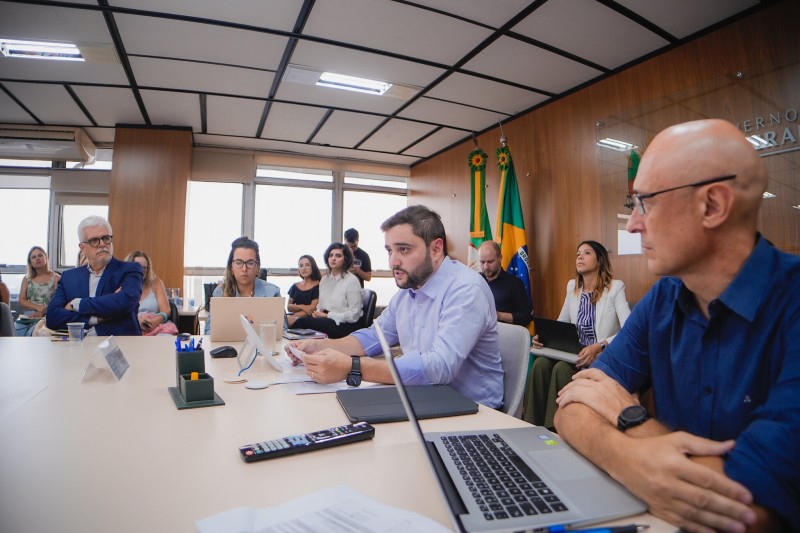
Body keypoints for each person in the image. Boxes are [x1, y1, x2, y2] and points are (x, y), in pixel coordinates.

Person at [554, 119, 799, 532]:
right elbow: (570, 408)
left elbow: (750, 510)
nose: (632, 224)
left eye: (645, 202)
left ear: (712, 206)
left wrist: (628, 416)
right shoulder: (664, 297)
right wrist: (628, 461)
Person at [287, 205, 504, 408]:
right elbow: (374, 336)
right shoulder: (409, 290)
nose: (393, 262)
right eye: (390, 251)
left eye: (404, 250)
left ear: (436, 249)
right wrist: (321, 347)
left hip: (473, 410)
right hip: (424, 398)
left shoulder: (465, 288)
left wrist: (352, 367)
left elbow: (439, 368)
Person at [524, 240, 630, 429]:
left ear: (600, 260)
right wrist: (545, 337)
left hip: (598, 357)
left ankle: (554, 429)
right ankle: (530, 426)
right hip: (572, 353)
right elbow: (561, 323)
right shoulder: (572, 287)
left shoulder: (615, 288)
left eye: (587, 253)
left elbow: (629, 329)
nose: (580, 256)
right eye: (578, 253)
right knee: (540, 364)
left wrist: (600, 346)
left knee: (561, 369)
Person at [46, 215, 143, 336]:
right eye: (94, 240)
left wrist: (77, 304)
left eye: (106, 238)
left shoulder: (130, 270)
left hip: (120, 344)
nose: (102, 244)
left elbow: (125, 302)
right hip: (79, 344)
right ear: (82, 248)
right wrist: (94, 319)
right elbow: (52, 318)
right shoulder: (69, 277)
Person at [204, 237, 280, 334]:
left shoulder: (272, 293)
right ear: (231, 267)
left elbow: (281, 332)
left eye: (250, 263)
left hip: (263, 343)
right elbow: (209, 331)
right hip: (229, 343)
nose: (244, 269)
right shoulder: (220, 292)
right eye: (238, 263)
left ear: (257, 268)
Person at [291, 243, 363, 339]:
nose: (333, 258)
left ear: (345, 260)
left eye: (338, 256)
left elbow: (353, 315)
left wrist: (327, 315)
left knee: (302, 322)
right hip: (327, 320)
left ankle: (289, 345)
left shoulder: (352, 280)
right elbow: (321, 306)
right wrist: (317, 313)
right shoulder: (324, 280)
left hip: (343, 325)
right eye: (331, 255)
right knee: (303, 320)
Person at [478, 240, 532, 326]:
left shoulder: (515, 283)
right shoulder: (475, 281)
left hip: (504, 331)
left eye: (490, 262)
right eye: (482, 262)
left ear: (500, 258)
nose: (486, 267)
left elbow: (525, 317)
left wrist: (499, 315)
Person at [125, 250, 178, 336]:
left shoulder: (156, 283)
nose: (141, 271)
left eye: (145, 268)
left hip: (154, 327)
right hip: (130, 329)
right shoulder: (121, 286)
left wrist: (155, 321)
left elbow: (166, 310)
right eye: (138, 267)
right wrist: (136, 321)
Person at [16, 246, 61, 336]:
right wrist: (38, 307)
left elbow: (59, 301)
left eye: (40, 255)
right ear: (30, 262)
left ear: (46, 258)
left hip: (48, 315)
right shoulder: (26, 279)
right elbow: (21, 300)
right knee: (15, 331)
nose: (37, 258)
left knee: (35, 333)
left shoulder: (56, 278)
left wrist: (43, 311)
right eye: (34, 257)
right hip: (29, 316)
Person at [286, 254, 321, 327]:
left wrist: (295, 317)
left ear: (313, 267)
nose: (304, 268)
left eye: (307, 265)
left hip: (310, 320)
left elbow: (312, 309)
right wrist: (303, 307)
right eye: (301, 266)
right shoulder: (294, 286)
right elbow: (289, 307)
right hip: (293, 318)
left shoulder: (318, 285)